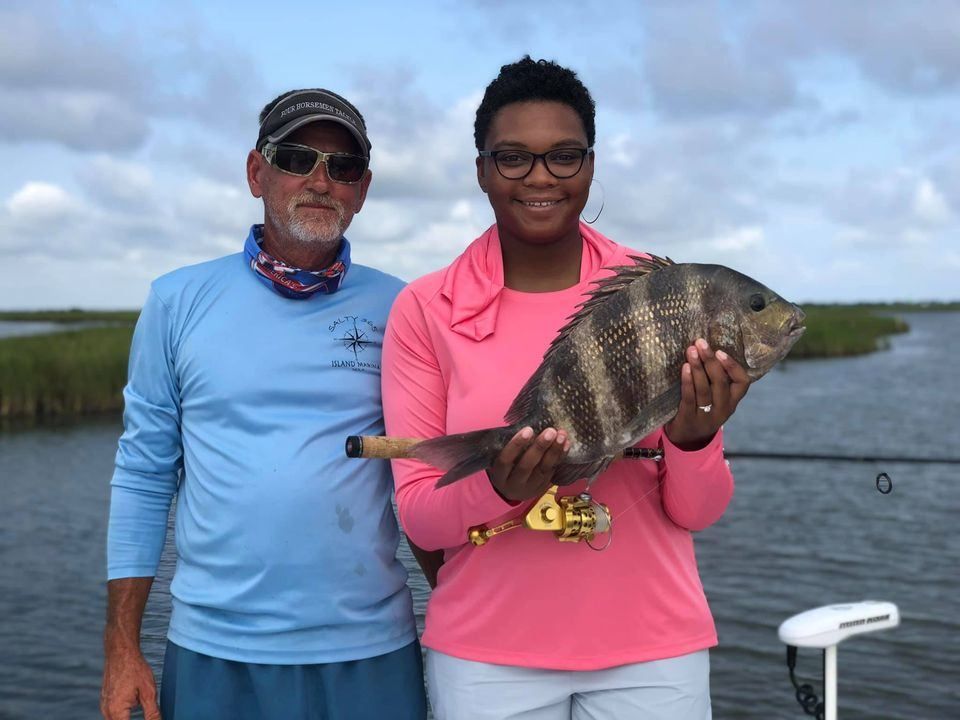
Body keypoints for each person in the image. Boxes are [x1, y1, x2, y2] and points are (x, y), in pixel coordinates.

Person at [381, 57, 752, 719]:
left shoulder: (652, 297)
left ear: (589, 163)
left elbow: (697, 513)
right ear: (482, 170)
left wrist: (695, 438)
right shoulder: (426, 308)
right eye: (514, 158)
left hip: (655, 652)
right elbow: (419, 515)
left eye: (564, 156)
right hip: (485, 657)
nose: (541, 177)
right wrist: (497, 488)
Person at [100, 88, 428, 720]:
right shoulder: (176, 300)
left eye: (343, 167)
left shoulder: (405, 308)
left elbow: (429, 474)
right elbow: (143, 475)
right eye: (297, 157)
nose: (319, 180)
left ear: (362, 189)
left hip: (371, 650)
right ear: (257, 173)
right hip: (214, 652)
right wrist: (121, 649)